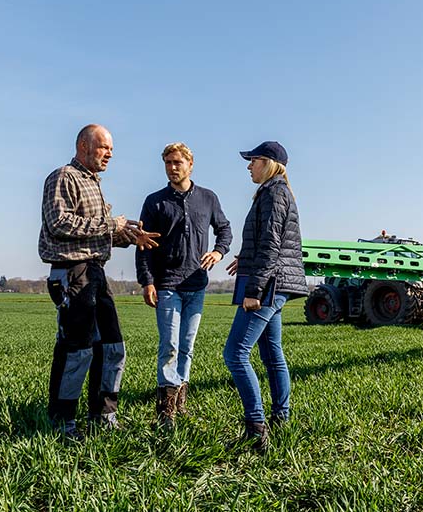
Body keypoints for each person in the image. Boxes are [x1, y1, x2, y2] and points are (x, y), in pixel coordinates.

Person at [38, 124, 159, 443]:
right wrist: (111, 223)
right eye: (104, 147)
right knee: (76, 350)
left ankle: (104, 415)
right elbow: (59, 223)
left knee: (112, 346)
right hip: (71, 272)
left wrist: (127, 236)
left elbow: (95, 233)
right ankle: (62, 420)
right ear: (83, 145)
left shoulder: (93, 183)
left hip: (95, 272)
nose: (110, 154)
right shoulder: (63, 176)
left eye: (111, 150)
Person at [136, 142, 232, 429]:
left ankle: (180, 403)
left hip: (197, 284)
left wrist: (218, 251)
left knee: (187, 346)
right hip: (166, 284)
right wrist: (147, 282)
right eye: (168, 163)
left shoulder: (208, 198)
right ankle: (165, 411)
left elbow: (224, 229)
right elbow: (143, 246)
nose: (172, 167)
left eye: (178, 162)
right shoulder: (154, 202)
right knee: (170, 345)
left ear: (190, 164)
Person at [223, 141, 308, 452]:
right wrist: (245, 258)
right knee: (272, 354)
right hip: (276, 282)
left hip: (269, 285)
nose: (248, 166)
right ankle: (281, 419)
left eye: (253, 160)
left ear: (270, 163)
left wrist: (254, 291)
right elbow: (267, 242)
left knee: (235, 354)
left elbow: (272, 246)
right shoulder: (275, 192)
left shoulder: (273, 194)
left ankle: (256, 429)